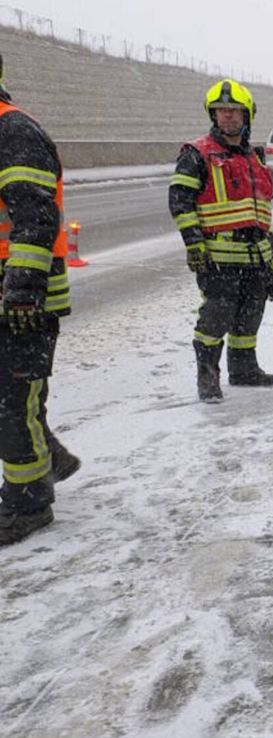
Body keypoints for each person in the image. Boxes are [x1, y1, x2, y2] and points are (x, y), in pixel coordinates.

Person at [170, 78, 273, 404]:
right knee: (216, 316)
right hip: (218, 255)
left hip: (254, 257)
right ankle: (207, 377)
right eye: (222, 111)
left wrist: (270, 258)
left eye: (234, 111)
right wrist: (194, 244)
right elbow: (180, 201)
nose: (228, 116)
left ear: (246, 116)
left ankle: (243, 369)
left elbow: (260, 209)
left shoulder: (255, 158)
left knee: (250, 314)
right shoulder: (198, 154)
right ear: (213, 115)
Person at [0, 54, 81, 544]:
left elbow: (34, 215)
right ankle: (48, 455)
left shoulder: (13, 132)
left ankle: (29, 505)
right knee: (13, 401)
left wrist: (23, 290)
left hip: (21, 300)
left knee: (12, 403)